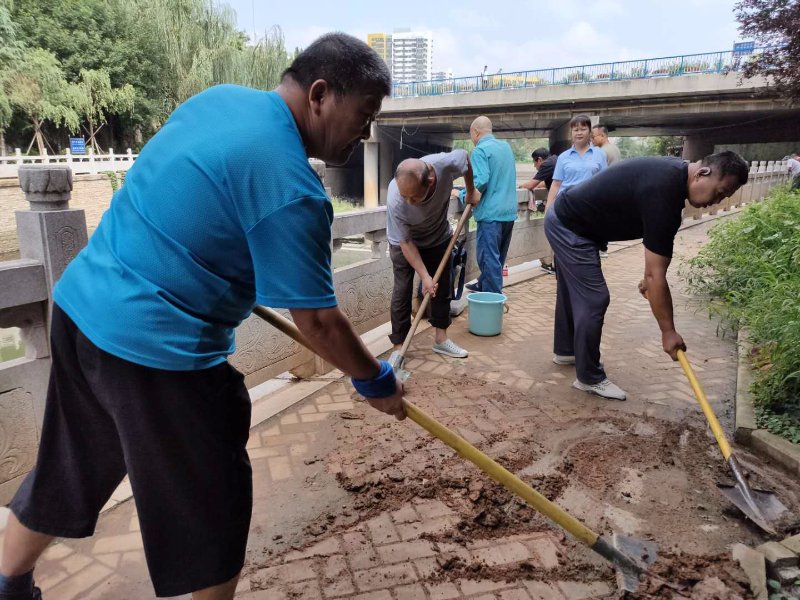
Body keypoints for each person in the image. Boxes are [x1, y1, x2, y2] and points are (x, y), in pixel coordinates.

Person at [0, 33, 405, 600]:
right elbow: (318, 324)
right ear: (320, 94)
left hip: (80, 309)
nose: (366, 132)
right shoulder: (291, 186)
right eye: (364, 115)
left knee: (73, 465)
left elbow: (186, 193)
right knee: (212, 505)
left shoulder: (219, 99)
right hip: (154, 353)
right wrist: (374, 378)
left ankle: (8, 583)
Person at [544, 151, 749, 401]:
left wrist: (649, 279)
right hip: (569, 226)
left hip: (571, 218)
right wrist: (668, 332)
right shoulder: (664, 191)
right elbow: (656, 275)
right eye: (719, 192)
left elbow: (653, 263)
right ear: (702, 173)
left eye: (724, 197)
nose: (716, 202)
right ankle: (589, 377)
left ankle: (566, 351)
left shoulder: (672, 183)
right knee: (594, 298)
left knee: (572, 291)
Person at [387, 150, 476, 358]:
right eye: (404, 196)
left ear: (430, 179)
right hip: (404, 243)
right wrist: (425, 277)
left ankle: (441, 339)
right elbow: (406, 242)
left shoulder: (443, 165)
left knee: (443, 286)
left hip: (437, 236)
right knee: (402, 291)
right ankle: (398, 348)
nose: (408, 202)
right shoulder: (395, 198)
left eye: (414, 196)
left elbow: (465, 158)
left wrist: (471, 190)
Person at [464, 116, 518, 294]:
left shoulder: (480, 150)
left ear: (476, 132)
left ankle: (492, 300)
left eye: (471, 135)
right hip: (508, 213)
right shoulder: (506, 148)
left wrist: (463, 194)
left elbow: (480, 181)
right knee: (498, 259)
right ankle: (483, 283)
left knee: (489, 259)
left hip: (491, 215)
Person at [521, 147, 558, 273]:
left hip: (560, 203)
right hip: (568, 200)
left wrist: (522, 186)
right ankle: (556, 265)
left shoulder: (546, 164)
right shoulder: (554, 160)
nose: (534, 166)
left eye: (534, 162)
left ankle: (557, 266)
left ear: (539, 160)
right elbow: (545, 183)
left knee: (556, 235)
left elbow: (532, 184)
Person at [591, 125, 621, 258]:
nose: (591, 139)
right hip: (613, 189)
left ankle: (601, 248)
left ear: (602, 136)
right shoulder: (614, 148)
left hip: (604, 190)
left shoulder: (602, 152)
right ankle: (602, 247)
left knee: (597, 220)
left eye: (593, 136)